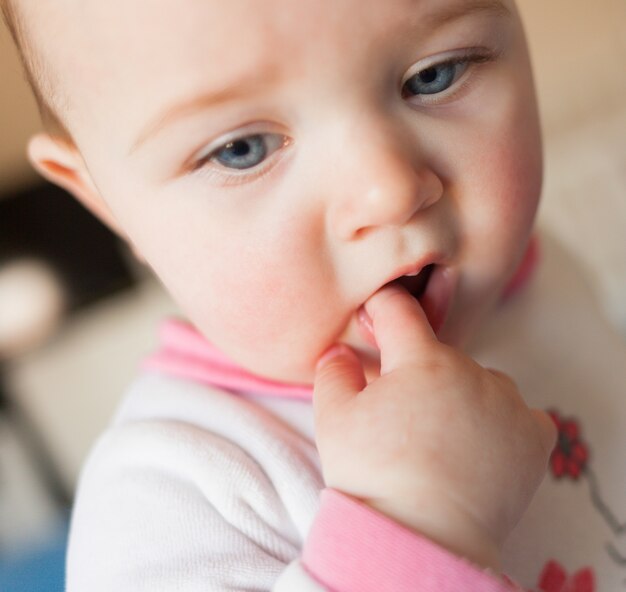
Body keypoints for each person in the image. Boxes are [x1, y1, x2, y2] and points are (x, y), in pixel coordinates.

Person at [3, 0, 624, 589]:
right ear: (106, 205)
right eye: (242, 149)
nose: (389, 192)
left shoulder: (529, 275)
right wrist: (418, 527)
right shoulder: (169, 503)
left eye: (435, 74)